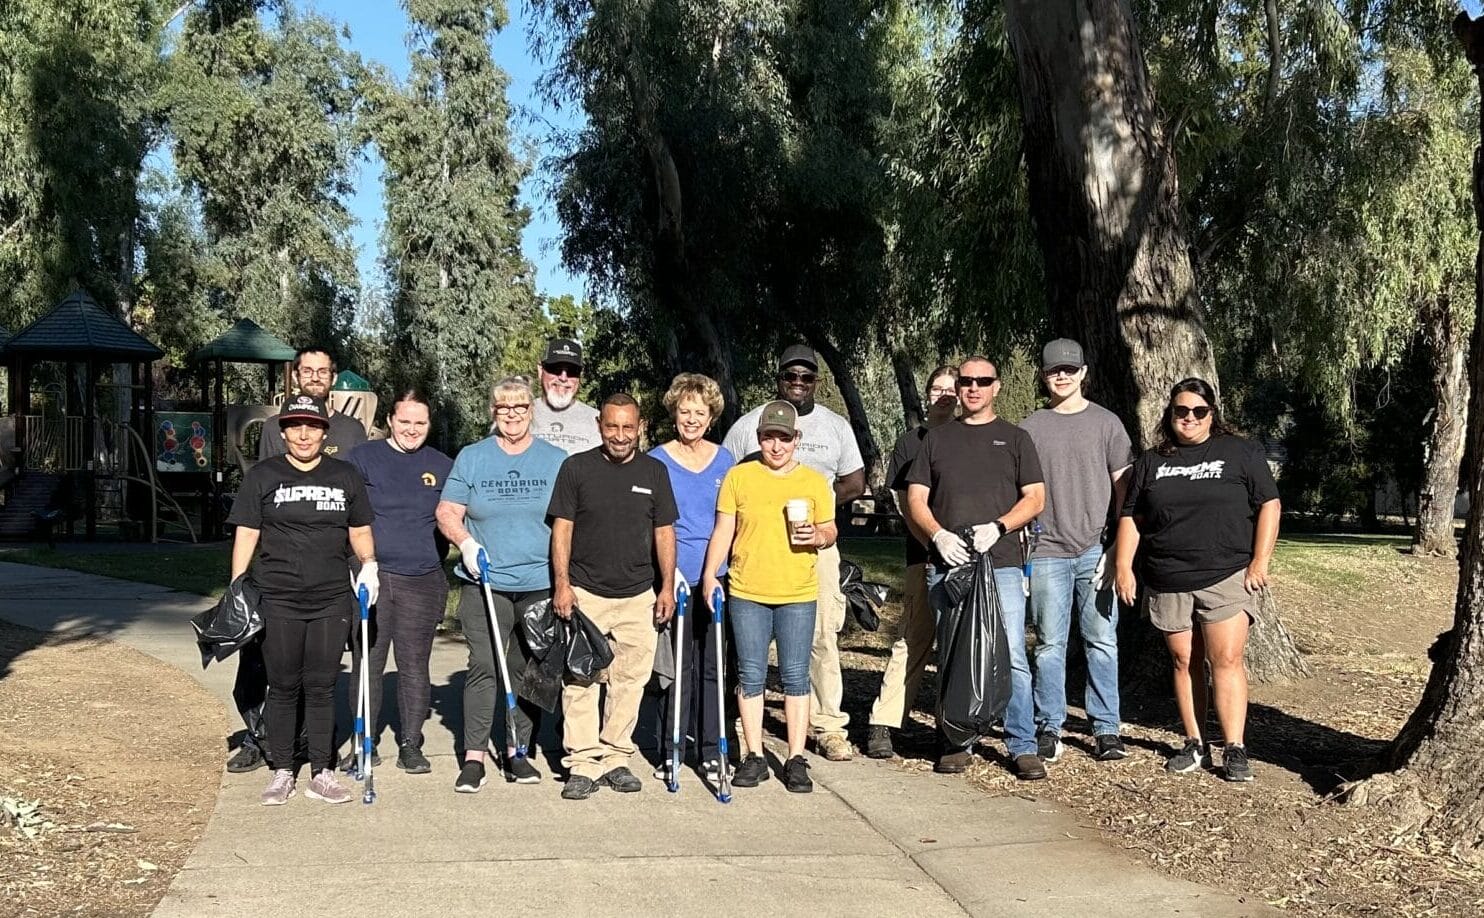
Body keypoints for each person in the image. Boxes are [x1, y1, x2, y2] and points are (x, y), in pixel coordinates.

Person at [1114, 378, 1280, 783]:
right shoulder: (1152, 461)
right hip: (1168, 576)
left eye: (1198, 411)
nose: (1188, 418)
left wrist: (1260, 561)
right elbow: (1131, 518)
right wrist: (1123, 566)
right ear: (1169, 414)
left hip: (1225, 575)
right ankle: (1194, 742)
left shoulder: (1240, 452)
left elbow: (1270, 505)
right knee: (1184, 660)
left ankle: (1235, 747)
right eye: (1180, 411)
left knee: (1224, 660)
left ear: (1212, 414)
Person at [227, 395, 378, 805]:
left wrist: (369, 565)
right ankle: (281, 771)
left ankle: (322, 771)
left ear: (324, 430)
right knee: (283, 685)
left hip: (331, 598)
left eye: (312, 426)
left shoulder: (344, 475)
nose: (304, 433)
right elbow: (247, 533)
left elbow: (360, 529)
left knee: (321, 685)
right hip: (279, 597)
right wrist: (237, 585)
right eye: (295, 426)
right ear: (284, 431)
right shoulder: (263, 476)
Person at [906, 356, 1047, 779]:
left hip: (1000, 562)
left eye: (982, 381)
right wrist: (937, 536)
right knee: (952, 652)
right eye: (966, 382)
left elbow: (1036, 498)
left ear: (996, 387)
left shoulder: (1016, 439)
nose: (973, 388)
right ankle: (955, 739)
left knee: (1010, 655)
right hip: (949, 563)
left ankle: (1021, 743)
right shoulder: (937, 439)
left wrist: (999, 526)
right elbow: (915, 498)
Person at [721, 344, 864, 762]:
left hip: (815, 545)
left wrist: (817, 503)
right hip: (758, 546)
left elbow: (855, 482)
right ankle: (745, 726)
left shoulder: (835, 426)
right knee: (750, 643)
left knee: (820, 636)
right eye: (790, 377)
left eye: (807, 377)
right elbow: (725, 475)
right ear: (778, 378)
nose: (798, 384)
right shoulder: (750, 425)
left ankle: (828, 726)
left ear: (817, 381)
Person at [436, 376, 568, 792]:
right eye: (503, 408)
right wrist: (466, 542)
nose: (511, 415)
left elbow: (567, 522)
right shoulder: (473, 457)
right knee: (484, 666)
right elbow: (447, 511)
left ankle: (518, 753)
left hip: (538, 583)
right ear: (492, 412)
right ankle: (474, 757)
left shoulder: (555, 459)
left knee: (526, 669)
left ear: (532, 411)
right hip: (485, 581)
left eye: (520, 408)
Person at [548, 393, 679, 800]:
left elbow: (664, 532)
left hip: (639, 595)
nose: (619, 435)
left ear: (639, 427)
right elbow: (562, 530)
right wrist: (562, 584)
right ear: (599, 426)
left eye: (627, 427)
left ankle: (616, 756)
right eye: (611, 426)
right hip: (586, 592)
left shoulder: (655, 471)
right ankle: (583, 763)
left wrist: (667, 587)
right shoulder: (576, 469)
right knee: (581, 679)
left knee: (630, 681)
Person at [703, 401, 836, 794]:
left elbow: (830, 530)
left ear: (797, 439)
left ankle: (795, 757)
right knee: (750, 674)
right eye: (767, 437)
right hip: (747, 590)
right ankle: (754, 754)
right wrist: (711, 574)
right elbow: (724, 530)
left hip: (797, 591)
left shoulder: (813, 482)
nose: (775, 446)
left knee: (795, 675)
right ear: (758, 438)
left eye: (783, 438)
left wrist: (819, 536)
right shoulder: (739, 478)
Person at [1021, 340, 1134, 765]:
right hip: (1047, 550)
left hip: (1096, 550)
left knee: (1102, 641)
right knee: (1050, 644)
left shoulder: (1107, 425)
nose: (1062, 376)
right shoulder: (1031, 427)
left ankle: (1106, 728)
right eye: (1054, 370)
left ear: (1084, 373)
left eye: (1070, 369)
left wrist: (1117, 546)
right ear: (1044, 375)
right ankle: (1049, 725)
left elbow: (1125, 490)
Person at [343, 389, 453, 775]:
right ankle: (364, 743)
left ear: (429, 424)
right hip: (372, 575)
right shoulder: (362, 458)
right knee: (368, 663)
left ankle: (411, 742)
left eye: (419, 423)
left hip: (422, 578)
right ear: (390, 420)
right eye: (404, 421)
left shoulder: (441, 464)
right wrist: (362, 564)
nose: (411, 429)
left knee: (413, 665)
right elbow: (349, 516)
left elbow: (455, 515)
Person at [865, 364, 958, 760]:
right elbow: (906, 505)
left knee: (960, 646)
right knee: (912, 639)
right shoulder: (910, 443)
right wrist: (934, 541)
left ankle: (953, 727)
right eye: (936, 389)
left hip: (972, 559)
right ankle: (883, 723)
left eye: (949, 389)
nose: (942, 395)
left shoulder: (974, 439)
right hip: (923, 556)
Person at [649, 374, 735, 783]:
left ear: (711, 416)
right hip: (673, 578)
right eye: (685, 411)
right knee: (676, 666)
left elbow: (731, 520)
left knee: (712, 666)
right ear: (674, 413)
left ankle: (711, 746)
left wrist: (716, 572)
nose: (692, 419)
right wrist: (667, 577)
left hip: (715, 578)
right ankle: (672, 746)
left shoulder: (725, 461)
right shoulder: (657, 460)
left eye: (700, 412)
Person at [257, 347, 368, 459]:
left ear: (334, 378)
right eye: (307, 371)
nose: (315, 378)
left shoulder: (352, 429)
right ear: (295, 376)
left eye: (323, 372)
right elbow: (266, 473)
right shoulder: (274, 427)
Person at [531, 338, 602, 454]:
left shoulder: (598, 420)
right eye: (555, 369)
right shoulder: (518, 415)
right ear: (540, 370)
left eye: (572, 371)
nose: (563, 378)